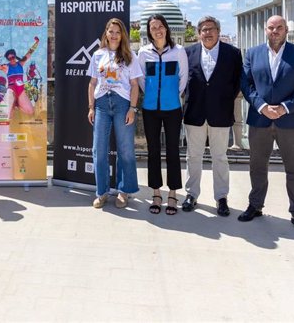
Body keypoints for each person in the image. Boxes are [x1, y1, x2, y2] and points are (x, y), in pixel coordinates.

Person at [239, 15, 294, 235]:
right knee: (257, 167)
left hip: (290, 121)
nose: (275, 31)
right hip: (260, 119)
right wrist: (262, 106)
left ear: (286, 30)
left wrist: (284, 107)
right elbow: (246, 84)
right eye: (271, 27)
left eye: (279, 27)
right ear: (265, 29)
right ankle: (255, 205)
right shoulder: (252, 53)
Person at [182, 16, 242, 217]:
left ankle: (221, 197)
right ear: (199, 33)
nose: (208, 33)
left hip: (221, 114)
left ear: (218, 31)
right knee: (193, 157)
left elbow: (237, 83)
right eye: (204, 30)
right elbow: (183, 82)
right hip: (194, 113)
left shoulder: (232, 54)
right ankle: (191, 194)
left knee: (220, 158)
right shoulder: (187, 53)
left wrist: (223, 101)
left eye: (212, 29)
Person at [87, 18, 142, 209]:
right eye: (111, 31)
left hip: (122, 104)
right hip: (101, 103)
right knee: (99, 150)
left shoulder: (130, 56)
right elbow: (92, 83)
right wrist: (91, 107)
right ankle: (101, 192)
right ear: (106, 33)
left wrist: (132, 109)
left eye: (118, 32)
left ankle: (123, 191)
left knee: (125, 150)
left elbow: (135, 85)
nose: (114, 35)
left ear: (122, 35)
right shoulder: (97, 55)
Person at [137, 14, 188, 215]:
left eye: (160, 26)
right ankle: (156, 193)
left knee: (173, 151)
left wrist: (172, 96)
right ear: (149, 31)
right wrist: (151, 94)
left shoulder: (178, 51)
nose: (157, 30)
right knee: (153, 151)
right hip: (150, 109)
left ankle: (173, 193)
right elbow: (141, 79)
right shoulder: (143, 53)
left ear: (166, 29)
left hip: (172, 109)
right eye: (153, 27)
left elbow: (183, 78)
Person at [0, 37, 40, 118]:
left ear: (15, 56)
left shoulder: (21, 63)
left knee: (31, 112)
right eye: (9, 58)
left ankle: (17, 104)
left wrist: (36, 43)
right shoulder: (6, 67)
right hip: (11, 91)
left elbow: (30, 52)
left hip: (20, 91)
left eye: (13, 57)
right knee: (9, 115)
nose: (11, 59)